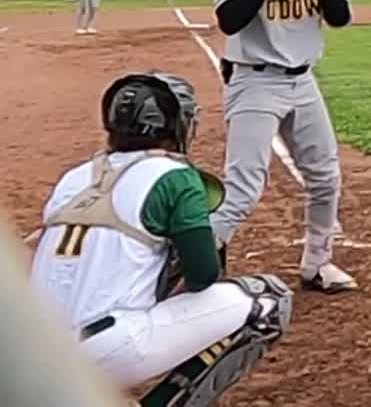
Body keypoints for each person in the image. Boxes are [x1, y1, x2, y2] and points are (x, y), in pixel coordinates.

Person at [28, 72, 293, 406]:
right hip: (106, 349)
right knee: (267, 302)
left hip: (32, 355)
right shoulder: (175, 176)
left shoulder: (73, 179)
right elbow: (204, 275)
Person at [209, 0, 357, 294]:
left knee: (325, 177)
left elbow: (341, 18)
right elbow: (230, 20)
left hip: (303, 81)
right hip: (256, 82)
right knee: (242, 188)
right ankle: (195, 270)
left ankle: (317, 264)